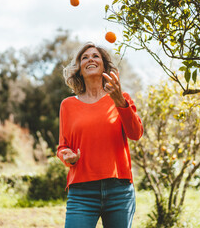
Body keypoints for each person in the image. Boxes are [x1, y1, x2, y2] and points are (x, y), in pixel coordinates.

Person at [57, 42, 143, 228]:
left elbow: (135, 134)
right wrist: (67, 157)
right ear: (79, 69)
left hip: (119, 191)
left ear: (104, 65)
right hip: (81, 192)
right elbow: (62, 147)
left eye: (95, 56)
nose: (90, 59)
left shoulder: (122, 97)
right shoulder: (67, 105)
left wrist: (119, 100)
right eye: (84, 57)